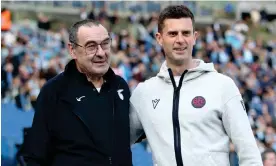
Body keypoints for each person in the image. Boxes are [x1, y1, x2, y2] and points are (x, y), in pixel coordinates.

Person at [130, 5, 263, 166]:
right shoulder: (144, 93)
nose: (180, 40)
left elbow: (249, 154)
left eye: (186, 33)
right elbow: (114, 142)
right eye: (172, 34)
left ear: (195, 37)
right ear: (159, 38)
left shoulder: (222, 86)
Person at [21, 19, 132, 166]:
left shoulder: (120, 86)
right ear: (72, 50)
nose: (101, 53)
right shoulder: (54, 91)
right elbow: (35, 156)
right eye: (91, 46)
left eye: (105, 43)